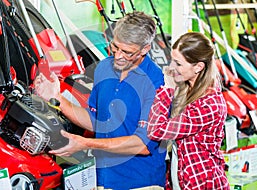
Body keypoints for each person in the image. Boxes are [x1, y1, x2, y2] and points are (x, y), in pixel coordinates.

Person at [34, 11, 167, 190]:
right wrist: (56, 98)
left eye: (127, 52)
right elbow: (97, 121)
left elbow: (141, 144)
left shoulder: (155, 81)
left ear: (145, 49)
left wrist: (84, 144)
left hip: (140, 182)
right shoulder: (104, 67)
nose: (118, 56)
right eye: (115, 47)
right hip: (103, 179)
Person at [147, 32, 230, 190]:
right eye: (172, 60)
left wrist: (168, 89)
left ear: (198, 67)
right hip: (182, 181)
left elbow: (156, 130)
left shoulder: (208, 104)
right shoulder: (187, 90)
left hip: (203, 183)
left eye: (178, 64)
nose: (172, 68)